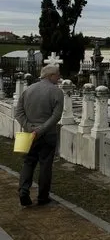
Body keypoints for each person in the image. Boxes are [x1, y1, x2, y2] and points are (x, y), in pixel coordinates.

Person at [15, 65, 64, 206]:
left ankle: (23, 191)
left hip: (29, 134)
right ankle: (43, 197)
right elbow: (56, 116)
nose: (59, 77)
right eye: (57, 75)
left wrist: (30, 128)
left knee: (28, 162)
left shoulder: (28, 90)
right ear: (50, 76)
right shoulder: (56, 92)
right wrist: (40, 130)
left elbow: (18, 113)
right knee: (45, 165)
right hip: (47, 134)